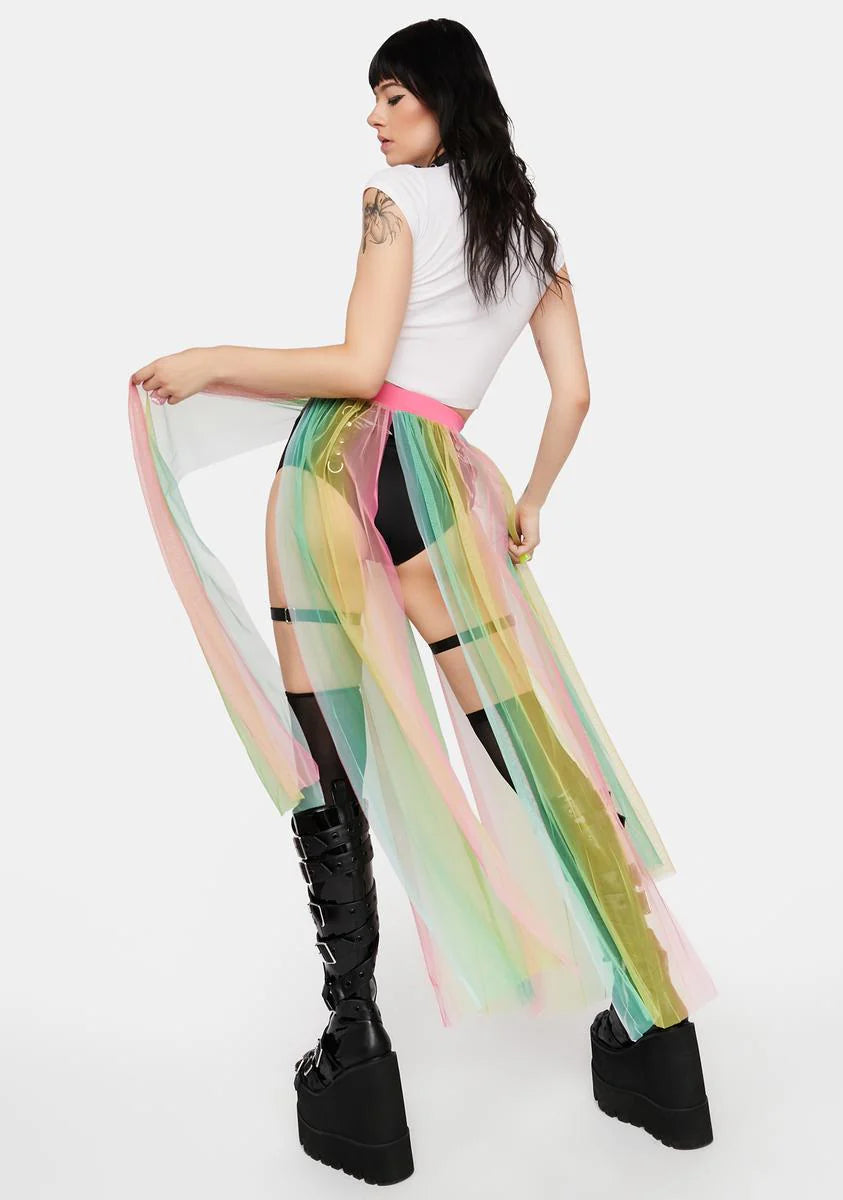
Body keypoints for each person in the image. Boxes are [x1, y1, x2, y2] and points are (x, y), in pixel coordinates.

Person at [129, 17, 717, 1187]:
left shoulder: (392, 203)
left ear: (445, 99)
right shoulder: (533, 237)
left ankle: (356, 1054)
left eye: (394, 96)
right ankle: (656, 1033)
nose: (375, 117)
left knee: (326, 755)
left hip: (343, 468)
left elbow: (359, 369)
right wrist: (532, 500)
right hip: (444, 482)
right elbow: (575, 395)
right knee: (526, 739)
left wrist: (212, 360)